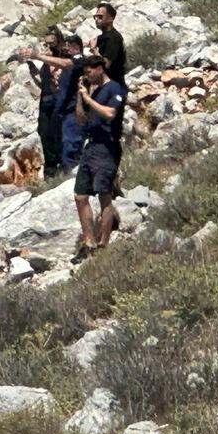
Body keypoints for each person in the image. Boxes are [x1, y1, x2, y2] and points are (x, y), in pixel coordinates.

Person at [72, 54, 128, 262]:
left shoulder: (114, 88)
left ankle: (104, 243)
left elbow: (111, 113)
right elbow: (80, 118)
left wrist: (89, 100)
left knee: (104, 194)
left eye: (89, 72)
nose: (88, 77)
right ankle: (89, 242)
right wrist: (81, 96)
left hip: (107, 148)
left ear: (99, 69)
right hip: (91, 146)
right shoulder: (93, 93)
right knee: (80, 196)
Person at [23, 29, 78, 177]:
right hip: (46, 102)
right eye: (47, 44)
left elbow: (65, 65)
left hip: (61, 102)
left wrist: (38, 56)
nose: (49, 47)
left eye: (52, 44)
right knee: (44, 133)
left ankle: (66, 167)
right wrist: (33, 67)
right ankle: (50, 171)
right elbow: (44, 81)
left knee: (59, 134)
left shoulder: (68, 57)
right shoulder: (47, 61)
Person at [92, 2, 127, 85]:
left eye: (100, 17)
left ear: (110, 18)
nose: (97, 19)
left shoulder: (114, 38)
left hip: (114, 85)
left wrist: (94, 50)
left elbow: (106, 64)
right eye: (95, 17)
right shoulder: (103, 37)